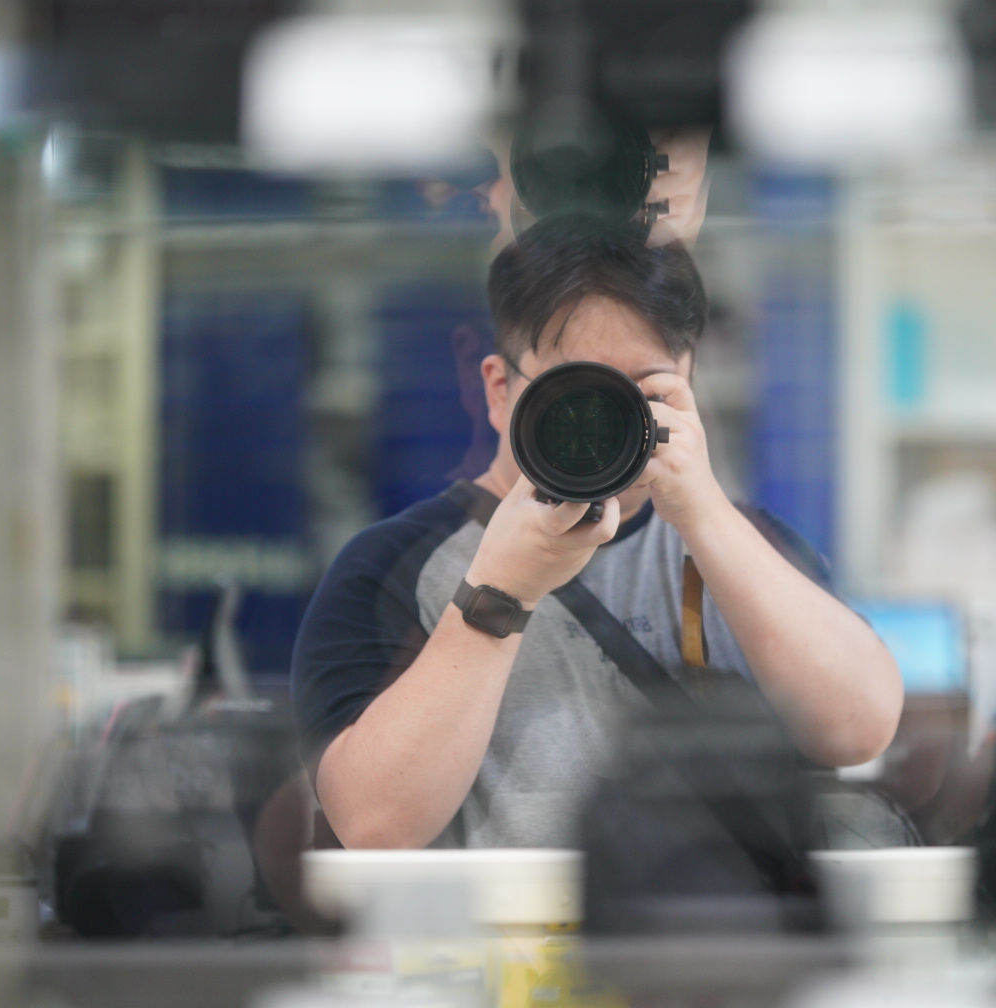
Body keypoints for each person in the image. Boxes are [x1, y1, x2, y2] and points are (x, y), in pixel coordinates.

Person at [291, 217, 904, 849]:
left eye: (641, 393)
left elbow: (857, 731)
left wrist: (705, 514)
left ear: (688, 385)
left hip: (722, 912)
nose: (605, 422)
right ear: (500, 391)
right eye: (578, 393)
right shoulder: (392, 566)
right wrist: (501, 590)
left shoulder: (748, 545)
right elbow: (375, 825)